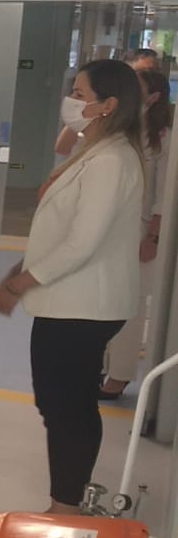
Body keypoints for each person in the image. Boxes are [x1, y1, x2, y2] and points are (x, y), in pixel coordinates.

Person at [0, 60, 144, 514]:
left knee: (66, 406)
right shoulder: (93, 150)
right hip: (69, 301)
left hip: (83, 305)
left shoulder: (111, 160)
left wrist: (19, 284)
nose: (71, 101)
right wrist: (21, 268)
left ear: (108, 104)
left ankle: (67, 503)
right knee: (60, 403)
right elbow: (59, 232)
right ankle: (68, 496)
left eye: (80, 94)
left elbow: (81, 243)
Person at [99, 68, 173, 399]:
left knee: (131, 304)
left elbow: (163, 192)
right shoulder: (122, 128)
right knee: (107, 300)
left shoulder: (163, 137)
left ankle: (120, 375)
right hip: (113, 226)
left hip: (141, 229)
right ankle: (104, 366)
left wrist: (153, 236)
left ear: (153, 97)